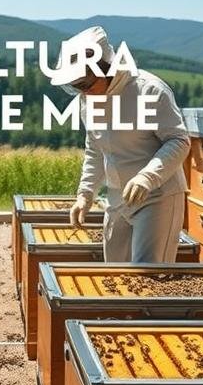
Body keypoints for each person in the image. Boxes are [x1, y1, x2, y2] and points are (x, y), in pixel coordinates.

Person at [56, 26, 189, 264]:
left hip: (157, 197)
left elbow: (179, 140)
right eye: (77, 87)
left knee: (147, 276)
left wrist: (147, 177)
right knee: (115, 271)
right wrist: (85, 194)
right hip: (117, 197)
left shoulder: (149, 90)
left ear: (107, 69)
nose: (83, 92)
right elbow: (95, 149)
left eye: (86, 84)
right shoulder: (87, 102)